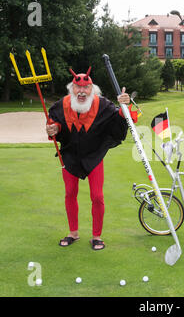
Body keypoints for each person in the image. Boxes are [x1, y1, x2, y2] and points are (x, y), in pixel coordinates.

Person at [46, 67, 137, 250]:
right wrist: (53, 129)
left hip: (94, 156)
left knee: (97, 196)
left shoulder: (103, 104)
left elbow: (119, 119)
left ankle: (97, 236)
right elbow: (54, 123)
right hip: (70, 156)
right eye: (77, 88)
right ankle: (73, 233)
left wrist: (125, 106)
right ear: (72, 89)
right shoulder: (61, 105)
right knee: (70, 193)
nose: (81, 91)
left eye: (86, 88)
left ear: (92, 89)